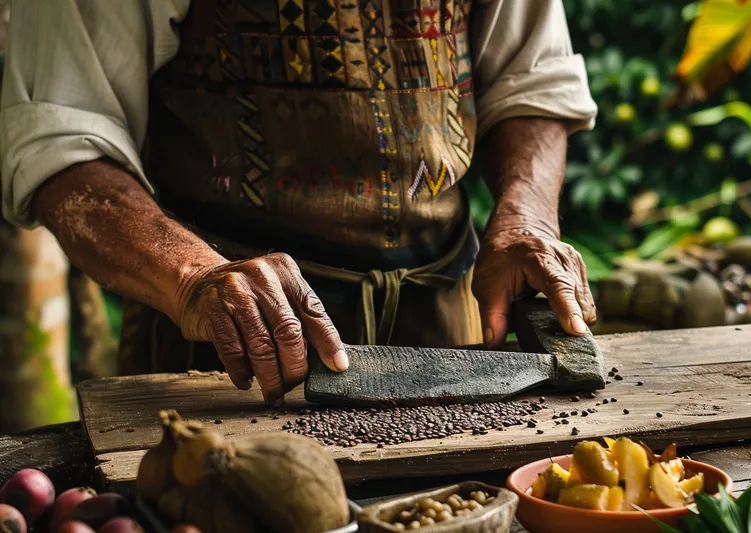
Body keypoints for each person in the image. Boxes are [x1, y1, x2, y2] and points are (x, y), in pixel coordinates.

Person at [1, 0, 597, 405]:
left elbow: (531, 79)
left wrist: (526, 218)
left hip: (454, 323)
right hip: (228, 356)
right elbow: (62, 138)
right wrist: (194, 278)